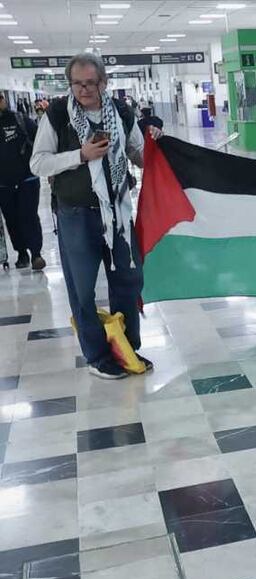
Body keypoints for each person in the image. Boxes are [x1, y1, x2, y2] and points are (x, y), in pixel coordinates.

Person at [30, 52, 162, 380]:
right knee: (82, 288)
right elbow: (38, 163)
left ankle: (127, 346)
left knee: (128, 281)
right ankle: (97, 355)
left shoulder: (120, 112)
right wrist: (80, 155)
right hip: (76, 215)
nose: (85, 89)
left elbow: (136, 154)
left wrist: (153, 148)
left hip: (117, 212)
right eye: (78, 83)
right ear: (70, 84)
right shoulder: (58, 114)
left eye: (91, 83)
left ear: (103, 82)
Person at [0, 92, 45, 270]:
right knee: (11, 219)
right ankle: (21, 253)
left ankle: (36, 254)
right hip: (3, 183)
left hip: (28, 177)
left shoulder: (20, 119)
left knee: (29, 216)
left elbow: (40, 142)